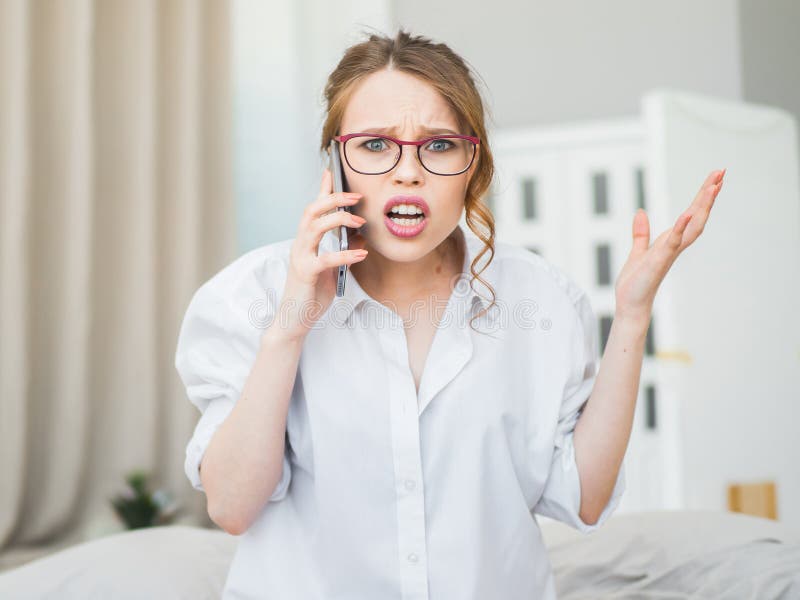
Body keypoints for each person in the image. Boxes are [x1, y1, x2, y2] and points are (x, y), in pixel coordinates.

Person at [175, 28, 725, 600]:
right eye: (374, 144)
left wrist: (633, 317)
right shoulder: (250, 296)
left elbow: (583, 498)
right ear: (335, 159)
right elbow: (233, 507)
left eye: (438, 145)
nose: (407, 172)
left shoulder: (542, 300)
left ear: (472, 163)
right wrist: (287, 331)